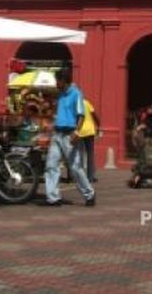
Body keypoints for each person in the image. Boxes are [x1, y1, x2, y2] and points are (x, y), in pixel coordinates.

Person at [44, 68, 96, 206]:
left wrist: (77, 132)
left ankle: (89, 194)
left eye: (58, 81)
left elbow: (81, 115)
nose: (56, 84)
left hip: (69, 135)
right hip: (57, 134)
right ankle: (53, 198)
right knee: (51, 165)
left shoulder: (76, 94)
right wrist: (52, 123)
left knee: (75, 168)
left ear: (64, 81)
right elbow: (59, 113)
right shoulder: (60, 95)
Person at [128, 105, 152, 188]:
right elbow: (135, 130)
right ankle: (137, 179)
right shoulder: (141, 117)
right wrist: (135, 140)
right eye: (149, 108)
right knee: (141, 161)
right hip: (142, 143)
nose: (150, 110)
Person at [77, 97, 100, 183]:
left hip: (79, 132)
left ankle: (81, 177)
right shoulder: (87, 103)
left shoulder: (75, 105)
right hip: (90, 131)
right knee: (90, 154)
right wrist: (99, 125)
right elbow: (94, 115)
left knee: (80, 154)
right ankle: (90, 177)